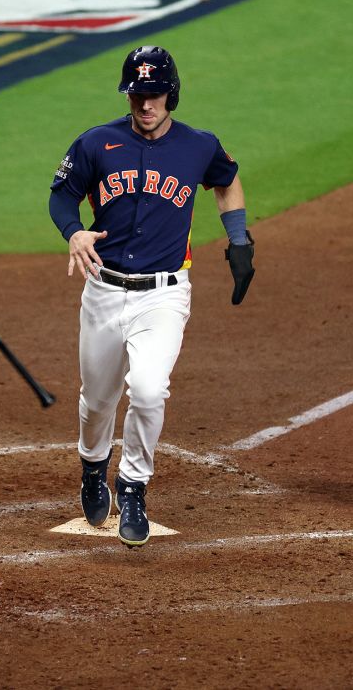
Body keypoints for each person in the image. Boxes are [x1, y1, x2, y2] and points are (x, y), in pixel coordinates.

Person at [48, 45, 256, 548]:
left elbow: (226, 183)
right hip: (103, 290)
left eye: (155, 94)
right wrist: (74, 230)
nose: (146, 104)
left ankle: (134, 485)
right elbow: (61, 195)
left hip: (163, 295)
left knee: (147, 389)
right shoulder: (97, 142)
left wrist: (240, 238)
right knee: (97, 402)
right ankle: (94, 468)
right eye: (138, 94)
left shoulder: (199, 145)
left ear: (172, 94)